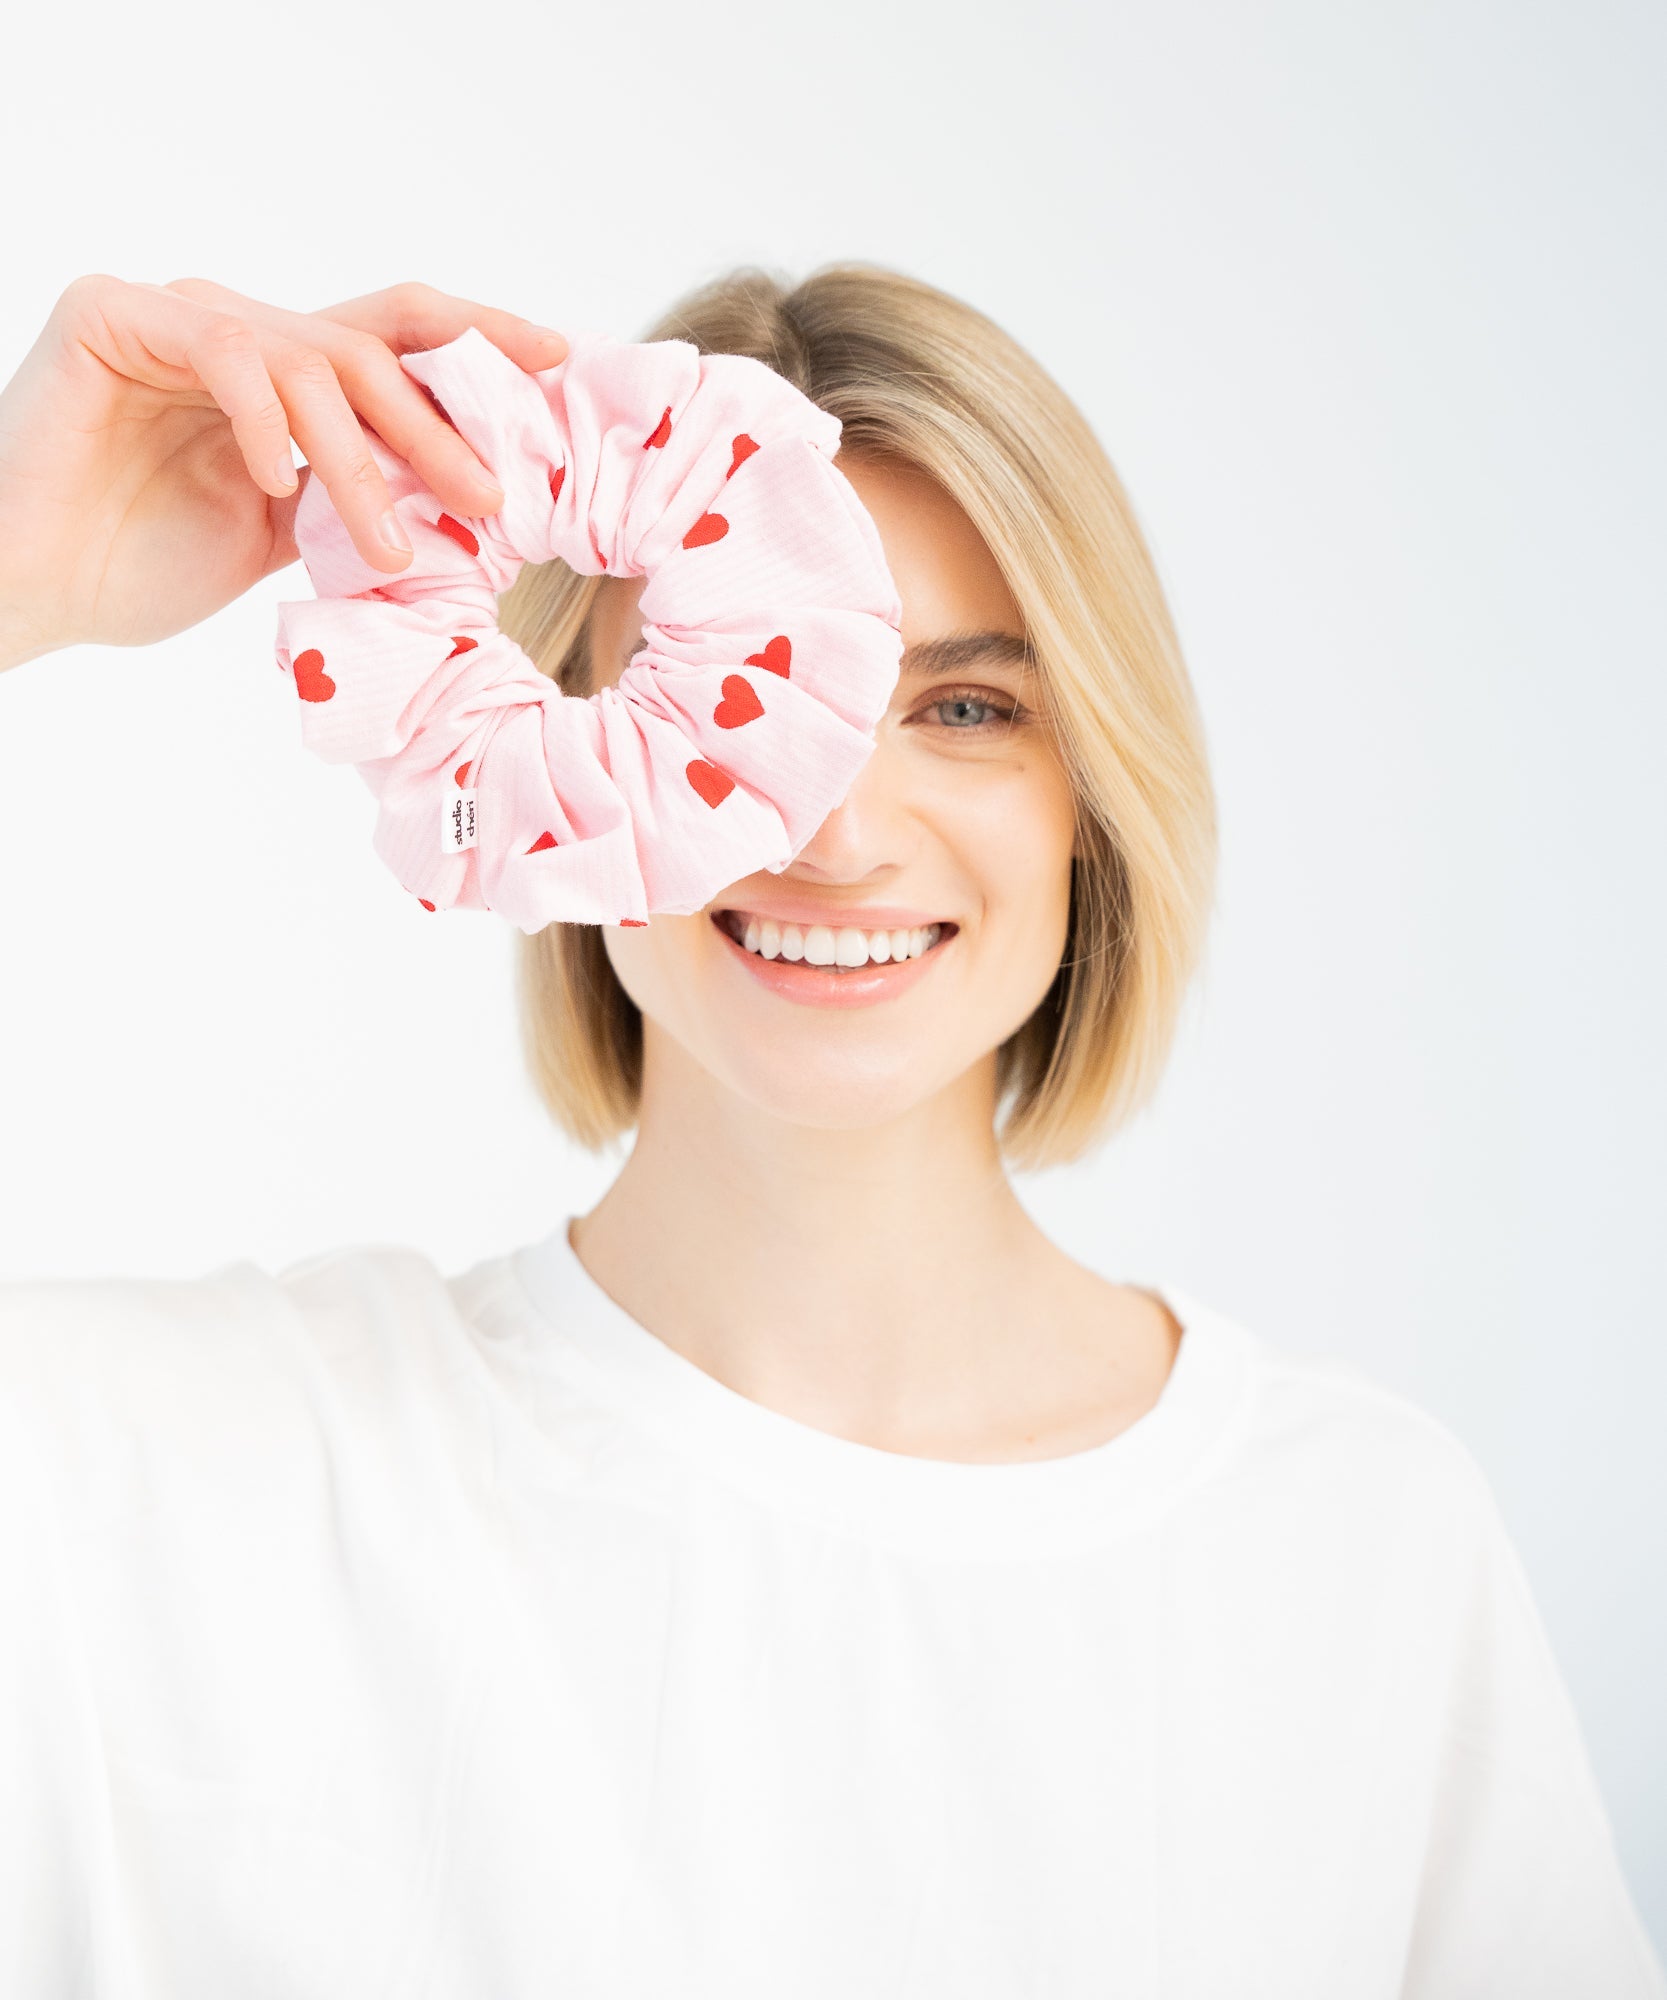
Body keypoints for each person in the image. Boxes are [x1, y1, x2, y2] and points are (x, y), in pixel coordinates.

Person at [0, 267, 1660, 2000]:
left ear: (1097, 801)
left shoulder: (1361, 1554)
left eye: (965, 707)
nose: (836, 828)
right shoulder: (162, 1483)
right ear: (557, 749)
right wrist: (17, 568)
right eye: (724, 688)